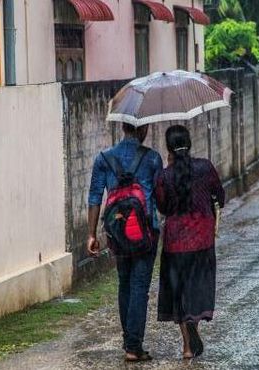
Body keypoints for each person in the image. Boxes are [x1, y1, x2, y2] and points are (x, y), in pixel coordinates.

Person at [87, 123, 163, 362]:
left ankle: (129, 341)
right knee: (140, 286)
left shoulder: (104, 159)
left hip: (117, 232)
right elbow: (160, 199)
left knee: (124, 283)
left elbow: (94, 196)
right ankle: (133, 346)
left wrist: (91, 234)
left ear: (122, 126)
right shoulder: (152, 159)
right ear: (144, 128)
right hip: (146, 233)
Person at [154, 125, 225, 359]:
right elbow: (220, 196)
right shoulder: (205, 167)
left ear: (169, 148)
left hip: (176, 243)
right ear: (190, 143)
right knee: (196, 289)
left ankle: (186, 346)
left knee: (179, 293)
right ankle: (194, 320)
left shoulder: (165, 176)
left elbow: (162, 207)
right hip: (203, 239)